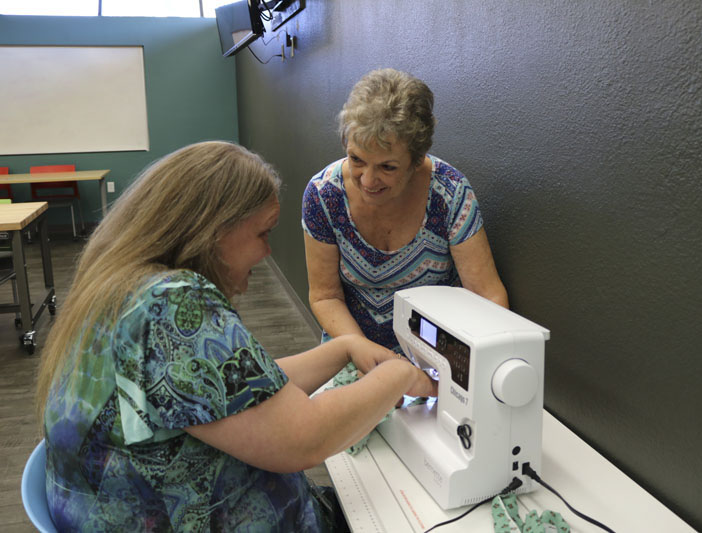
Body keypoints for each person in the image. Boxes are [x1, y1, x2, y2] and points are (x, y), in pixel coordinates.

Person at [35, 141, 436, 532]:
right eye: (263, 233)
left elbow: (230, 391)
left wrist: (345, 349)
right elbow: (304, 440)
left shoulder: (122, 286)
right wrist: (398, 376)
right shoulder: (173, 306)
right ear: (213, 230)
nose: (267, 253)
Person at [302, 68, 508, 352]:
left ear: (416, 159)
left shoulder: (450, 193)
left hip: (436, 350)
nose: (368, 180)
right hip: (352, 344)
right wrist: (365, 353)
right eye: (356, 159)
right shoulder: (324, 195)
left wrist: (479, 363)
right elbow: (325, 297)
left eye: (387, 166)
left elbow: (486, 295)